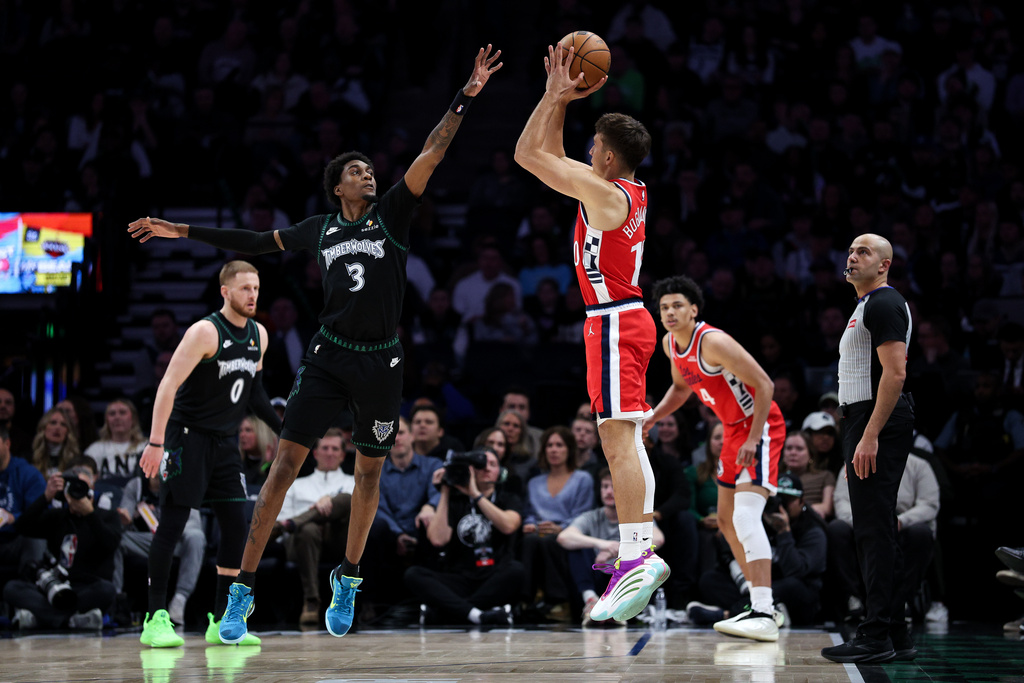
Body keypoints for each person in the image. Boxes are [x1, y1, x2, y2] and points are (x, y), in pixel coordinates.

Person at [129, 45, 503, 642]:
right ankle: (241, 593)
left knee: (369, 474)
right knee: (282, 468)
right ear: (336, 187)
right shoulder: (319, 229)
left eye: (369, 169)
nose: (368, 174)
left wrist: (465, 96)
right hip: (329, 356)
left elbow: (432, 151)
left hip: (381, 360)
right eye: (356, 170)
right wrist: (183, 230)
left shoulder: (392, 214)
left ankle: (347, 578)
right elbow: (254, 241)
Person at [515, 41, 668, 624]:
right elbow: (550, 151)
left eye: (593, 146)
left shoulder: (603, 194)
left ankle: (636, 557)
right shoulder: (624, 189)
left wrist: (554, 95)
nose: (585, 152)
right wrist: (558, 102)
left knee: (616, 441)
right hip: (626, 319)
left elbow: (527, 154)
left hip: (613, 320)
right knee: (628, 438)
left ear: (605, 156)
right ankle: (640, 552)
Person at [133, 261, 280, 649]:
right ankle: (154, 618)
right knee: (174, 524)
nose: (252, 295)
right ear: (225, 292)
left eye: (256, 288)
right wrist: (156, 442)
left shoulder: (259, 335)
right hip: (187, 437)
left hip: (225, 442)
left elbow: (255, 394)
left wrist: (286, 432)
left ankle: (221, 619)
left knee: (235, 526)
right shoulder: (204, 331)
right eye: (245, 288)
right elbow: (168, 385)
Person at [646, 275, 785, 642]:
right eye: (664, 307)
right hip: (731, 430)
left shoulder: (713, 342)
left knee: (745, 515)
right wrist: (653, 417)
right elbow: (680, 389)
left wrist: (753, 439)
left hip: (760, 426)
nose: (670, 312)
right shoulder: (670, 345)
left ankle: (764, 610)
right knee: (725, 521)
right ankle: (761, 604)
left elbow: (765, 385)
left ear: (693, 310)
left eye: (677, 305)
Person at [820, 233, 917, 664]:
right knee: (876, 527)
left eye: (864, 251)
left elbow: (894, 375)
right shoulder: (866, 305)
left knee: (874, 530)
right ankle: (896, 632)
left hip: (876, 419)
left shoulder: (884, 302)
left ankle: (876, 635)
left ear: (884, 265)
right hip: (863, 419)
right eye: (850, 250)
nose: (852, 256)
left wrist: (870, 435)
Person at [688, 473, 827, 628]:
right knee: (710, 580)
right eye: (776, 499)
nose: (781, 505)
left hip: (791, 590)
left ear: (802, 501)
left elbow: (796, 571)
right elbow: (729, 554)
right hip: (755, 585)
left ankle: (727, 614)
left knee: (791, 587)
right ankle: (771, 613)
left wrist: (784, 532)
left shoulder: (812, 529)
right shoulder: (759, 519)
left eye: (788, 500)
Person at [405, 448, 523, 626]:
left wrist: (476, 495)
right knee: (413, 574)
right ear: (471, 470)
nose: (487, 468)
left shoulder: (507, 498)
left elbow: (508, 526)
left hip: (493, 576)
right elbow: (437, 540)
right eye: (481, 465)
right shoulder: (455, 499)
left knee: (517, 571)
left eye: (492, 464)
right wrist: (445, 491)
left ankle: (448, 614)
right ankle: (479, 615)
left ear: (500, 471)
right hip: (459, 577)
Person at [3, 465, 122, 630]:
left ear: (92, 489)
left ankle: (44, 618)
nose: (78, 492)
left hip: (87, 587)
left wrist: (90, 514)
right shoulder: (58, 517)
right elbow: (22, 527)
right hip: (54, 588)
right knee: (12, 588)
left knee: (107, 590)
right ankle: (71, 620)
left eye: (83, 487)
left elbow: (110, 544)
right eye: (73, 487)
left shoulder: (108, 516)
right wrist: (46, 497)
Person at [829, 452, 939, 625]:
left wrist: (902, 521)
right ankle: (853, 600)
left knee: (921, 533)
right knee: (837, 529)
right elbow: (841, 502)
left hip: (901, 524)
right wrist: (863, 523)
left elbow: (929, 504)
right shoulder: (853, 461)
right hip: (864, 524)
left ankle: (902, 602)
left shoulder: (919, 465)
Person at [557, 468, 665, 626]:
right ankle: (591, 601)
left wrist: (617, 551)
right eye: (605, 486)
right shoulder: (592, 516)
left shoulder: (636, 517)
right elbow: (564, 537)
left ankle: (623, 606)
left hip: (625, 579)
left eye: (614, 487)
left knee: (649, 553)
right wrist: (605, 545)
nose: (608, 492)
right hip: (597, 578)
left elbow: (659, 538)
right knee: (577, 548)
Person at [275, 428, 354, 625]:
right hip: (301, 544)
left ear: (343, 455)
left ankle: (299, 521)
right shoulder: (296, 484)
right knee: (308, 530)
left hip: (339, 542)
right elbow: (282, 518)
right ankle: (311, 600)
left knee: (346, 498)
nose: (330, 453)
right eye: (325, 448)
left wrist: (329, 502)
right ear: (315, 453)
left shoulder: (352, 482)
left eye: (335, 449)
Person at [521, 426, 594, 618]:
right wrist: (530, 524)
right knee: (529, 540)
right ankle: (525, 600)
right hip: (539, 531)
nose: (554, 450)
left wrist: (561, 528)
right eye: (550, 445)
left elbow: (583, 514)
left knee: (550, 541)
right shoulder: (534, 482)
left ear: (569, 449)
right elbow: (529, 513)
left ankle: (557, 600)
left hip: (568, 533)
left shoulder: (582, 479)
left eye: (559, 445)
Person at [115, 471, 205, 625]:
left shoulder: (182, 486)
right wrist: (127, 519)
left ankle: (180, 599)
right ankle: (116, 599)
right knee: (116, 538)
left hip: (174, 540)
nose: (158, 475)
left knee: (196, 537)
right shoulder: (136, 486)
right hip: (147, 540)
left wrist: (169, 527)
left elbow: (194, 525)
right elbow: (124, 518)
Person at [0, 424, 46, 576]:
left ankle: (28, 586)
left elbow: (40, 516)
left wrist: (13, 518)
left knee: (36, 537)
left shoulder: (28, 474)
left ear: (7, 443)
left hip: (15, 539)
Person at [85, 398, 147, 480]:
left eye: (122, 412)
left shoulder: (145, 447)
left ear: (133, 419)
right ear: (107, 420)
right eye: (112, 414)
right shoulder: (95, 449)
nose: (117, 417)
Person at [782, 431, 836, 519]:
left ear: (810, 454)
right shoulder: (773, 476)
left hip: (811, 520)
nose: (793, 452)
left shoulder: (825, 476)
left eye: (799, 449)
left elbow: (826, 508)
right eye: (789, 448)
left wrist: (800, 510)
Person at [30, 407, 81, 477]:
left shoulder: (76, 461)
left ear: (68, 431)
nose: (58, 428)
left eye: (63, 424)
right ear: (43, 427)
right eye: (53, 423)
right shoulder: (29, 458)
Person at [239, 416, 278, 488]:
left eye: (248, 430)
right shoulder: (237, 462)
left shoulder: (273, 464)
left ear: (261, 433)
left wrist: (267, 464)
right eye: (240, 430)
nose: (242, 435)